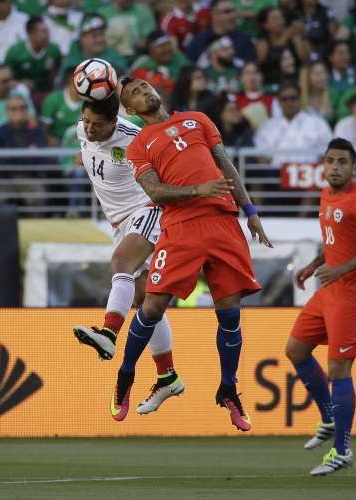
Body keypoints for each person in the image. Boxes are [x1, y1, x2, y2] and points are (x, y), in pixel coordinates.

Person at [118, 76, 273, 430]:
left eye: (145, 87)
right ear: (130, 109)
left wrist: (250, 212)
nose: (144, 92)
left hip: (223, 222)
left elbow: (226, 165)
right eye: (135, 94)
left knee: (230, 314)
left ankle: (229, 389)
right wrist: (198, 188)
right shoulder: (139, 145)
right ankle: (125, 377)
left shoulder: (198, 119)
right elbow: (155, 191)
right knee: (153, 306)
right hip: (181, 227)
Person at [72, 93, 185, 419]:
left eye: (98, 125)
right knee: (145, 300)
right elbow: (90, 148)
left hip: (148, 209)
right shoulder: (83, 131)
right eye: (87, 122)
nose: (90, 130)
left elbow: (165, 173)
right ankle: (168, 375)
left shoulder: (135, 138)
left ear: (114, 123)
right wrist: (85, 157)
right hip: (120, 222)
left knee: (121, 263)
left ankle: (108, 333)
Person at [285, 138, 356, 476]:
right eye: (330, 161)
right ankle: (329, 415)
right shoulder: (326, 195)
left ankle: (342, 450)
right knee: (296, 349)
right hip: (329, 289)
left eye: (342, 162)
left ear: (353, 167)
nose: (334, 167)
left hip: (354, 293)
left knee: (339, 370)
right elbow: (335, 241)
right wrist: (314, 263)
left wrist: (341, 268)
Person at [4, 16, 63, 95]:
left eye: (47, 32)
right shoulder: (15, 52)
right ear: (30, 34)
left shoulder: (54, 50)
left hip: (47, 91)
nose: (47, 35)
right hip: (21, 93)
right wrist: (20, 83)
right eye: (43, 32)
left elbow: (60, 73)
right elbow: (6, 79)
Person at [185, 0, 256, 63]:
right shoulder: (199, 41)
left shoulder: (245, 40)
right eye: (227, 12)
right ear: (213, 14)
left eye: (234, 11)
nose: (233, 16)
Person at [130, 30, 189, 100]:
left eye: (168, 44)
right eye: (162, 46)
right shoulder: (143, 67)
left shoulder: (180, 60)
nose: (167, 49)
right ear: (151, 50)